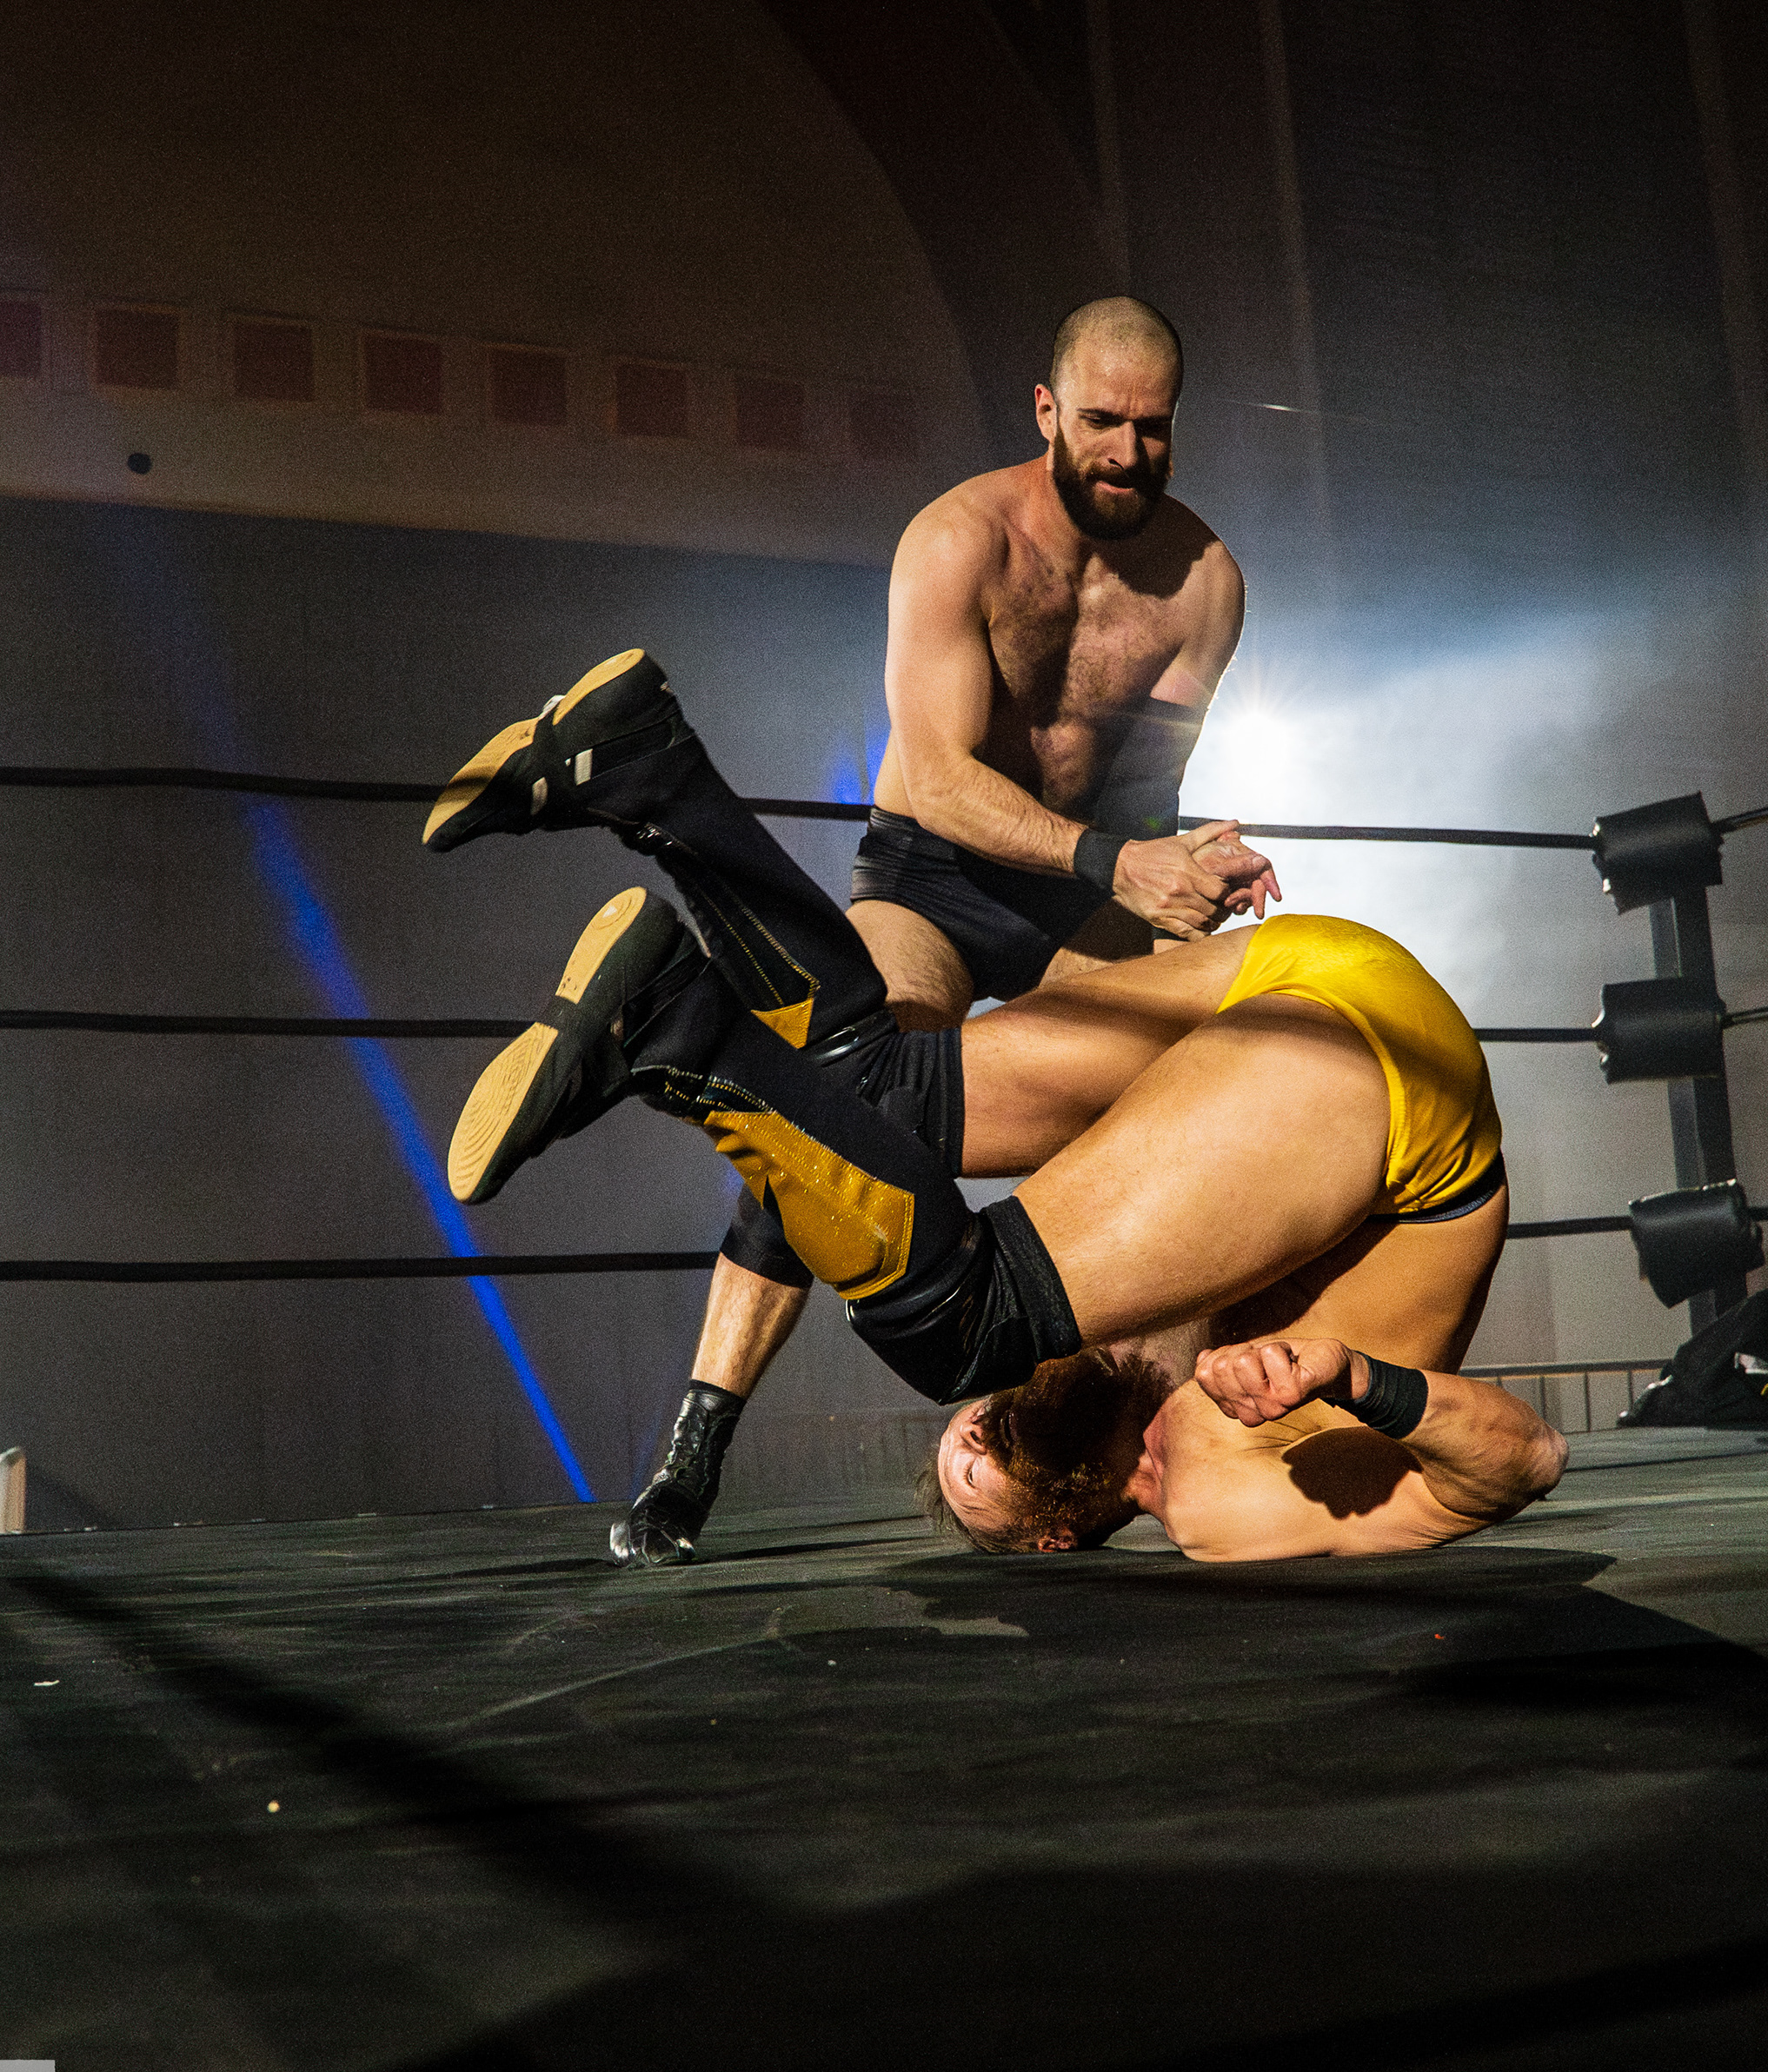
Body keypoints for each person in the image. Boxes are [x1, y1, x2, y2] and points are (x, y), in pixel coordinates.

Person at [427, 296, 1273, 1566]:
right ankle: (695, 1450)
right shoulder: (959, 541)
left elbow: (1142, 791)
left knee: (1220, 1079)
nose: (1127, 453)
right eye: (1103, 421)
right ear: (1046, 411)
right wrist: (1116, 860)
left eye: (1152, 429)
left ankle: (1150, 1435)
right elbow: (934, 778)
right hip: (938, 876)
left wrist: (1185, 861)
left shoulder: (1204, 584)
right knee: (840, 1101)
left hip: (1081, 903)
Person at [433, 659, 1561, 1560]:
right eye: (987, 1459)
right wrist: (1361, 1382)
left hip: (1311, 996)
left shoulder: (1159, 1404)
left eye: (964, 1451)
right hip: (1404, 1102)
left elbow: (820, 1175)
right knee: (964, 1329)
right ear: (1057, 1531)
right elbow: (1524, 1462)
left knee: (874, 1089)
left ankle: (651, 772)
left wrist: (699, 1446)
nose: (979, 1426)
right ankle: (680, 1027)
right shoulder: (1226, 1504)